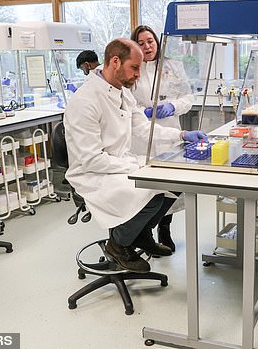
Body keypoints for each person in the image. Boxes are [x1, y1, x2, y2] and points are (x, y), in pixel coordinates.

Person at [64, 38, 206, 272]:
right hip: (92, 172)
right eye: (135, 68)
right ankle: (118, 245)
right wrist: (136, 169)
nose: (139, 75)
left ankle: (140, 236)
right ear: (115, 62)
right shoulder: (85, 101)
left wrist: (181, 135)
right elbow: (91, 159)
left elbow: (142, 128)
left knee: (175, 184)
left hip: (119, 163)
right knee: (149, 192)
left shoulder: (121, 93)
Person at [130, 25, 196, 252]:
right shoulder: (132, 69)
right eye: (140, 43)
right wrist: (143, 111)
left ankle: (164, 229)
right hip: (141, 134)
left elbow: (188, 97)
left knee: (170, 186)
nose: (147, 46)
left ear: (157, 42)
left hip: (169, 131)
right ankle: (144, 231)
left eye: (150, 41)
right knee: (147, 188)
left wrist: (173, 106)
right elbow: (125, 101)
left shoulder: (174, 67)